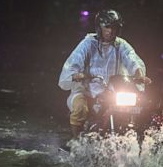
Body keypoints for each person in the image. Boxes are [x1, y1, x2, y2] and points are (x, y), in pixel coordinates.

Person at [58, 9, 151, 139]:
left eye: (114, 27)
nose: (110, 31)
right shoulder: (88, 43)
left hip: (111, 91)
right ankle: (76, 141)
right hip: (86, 90)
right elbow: (74, 62)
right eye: (107, 27)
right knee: (80, 108)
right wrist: (76, 75)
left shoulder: (121, 45)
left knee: (135, 109)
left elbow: (132, 59)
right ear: (99, 27)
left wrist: (139, 75)